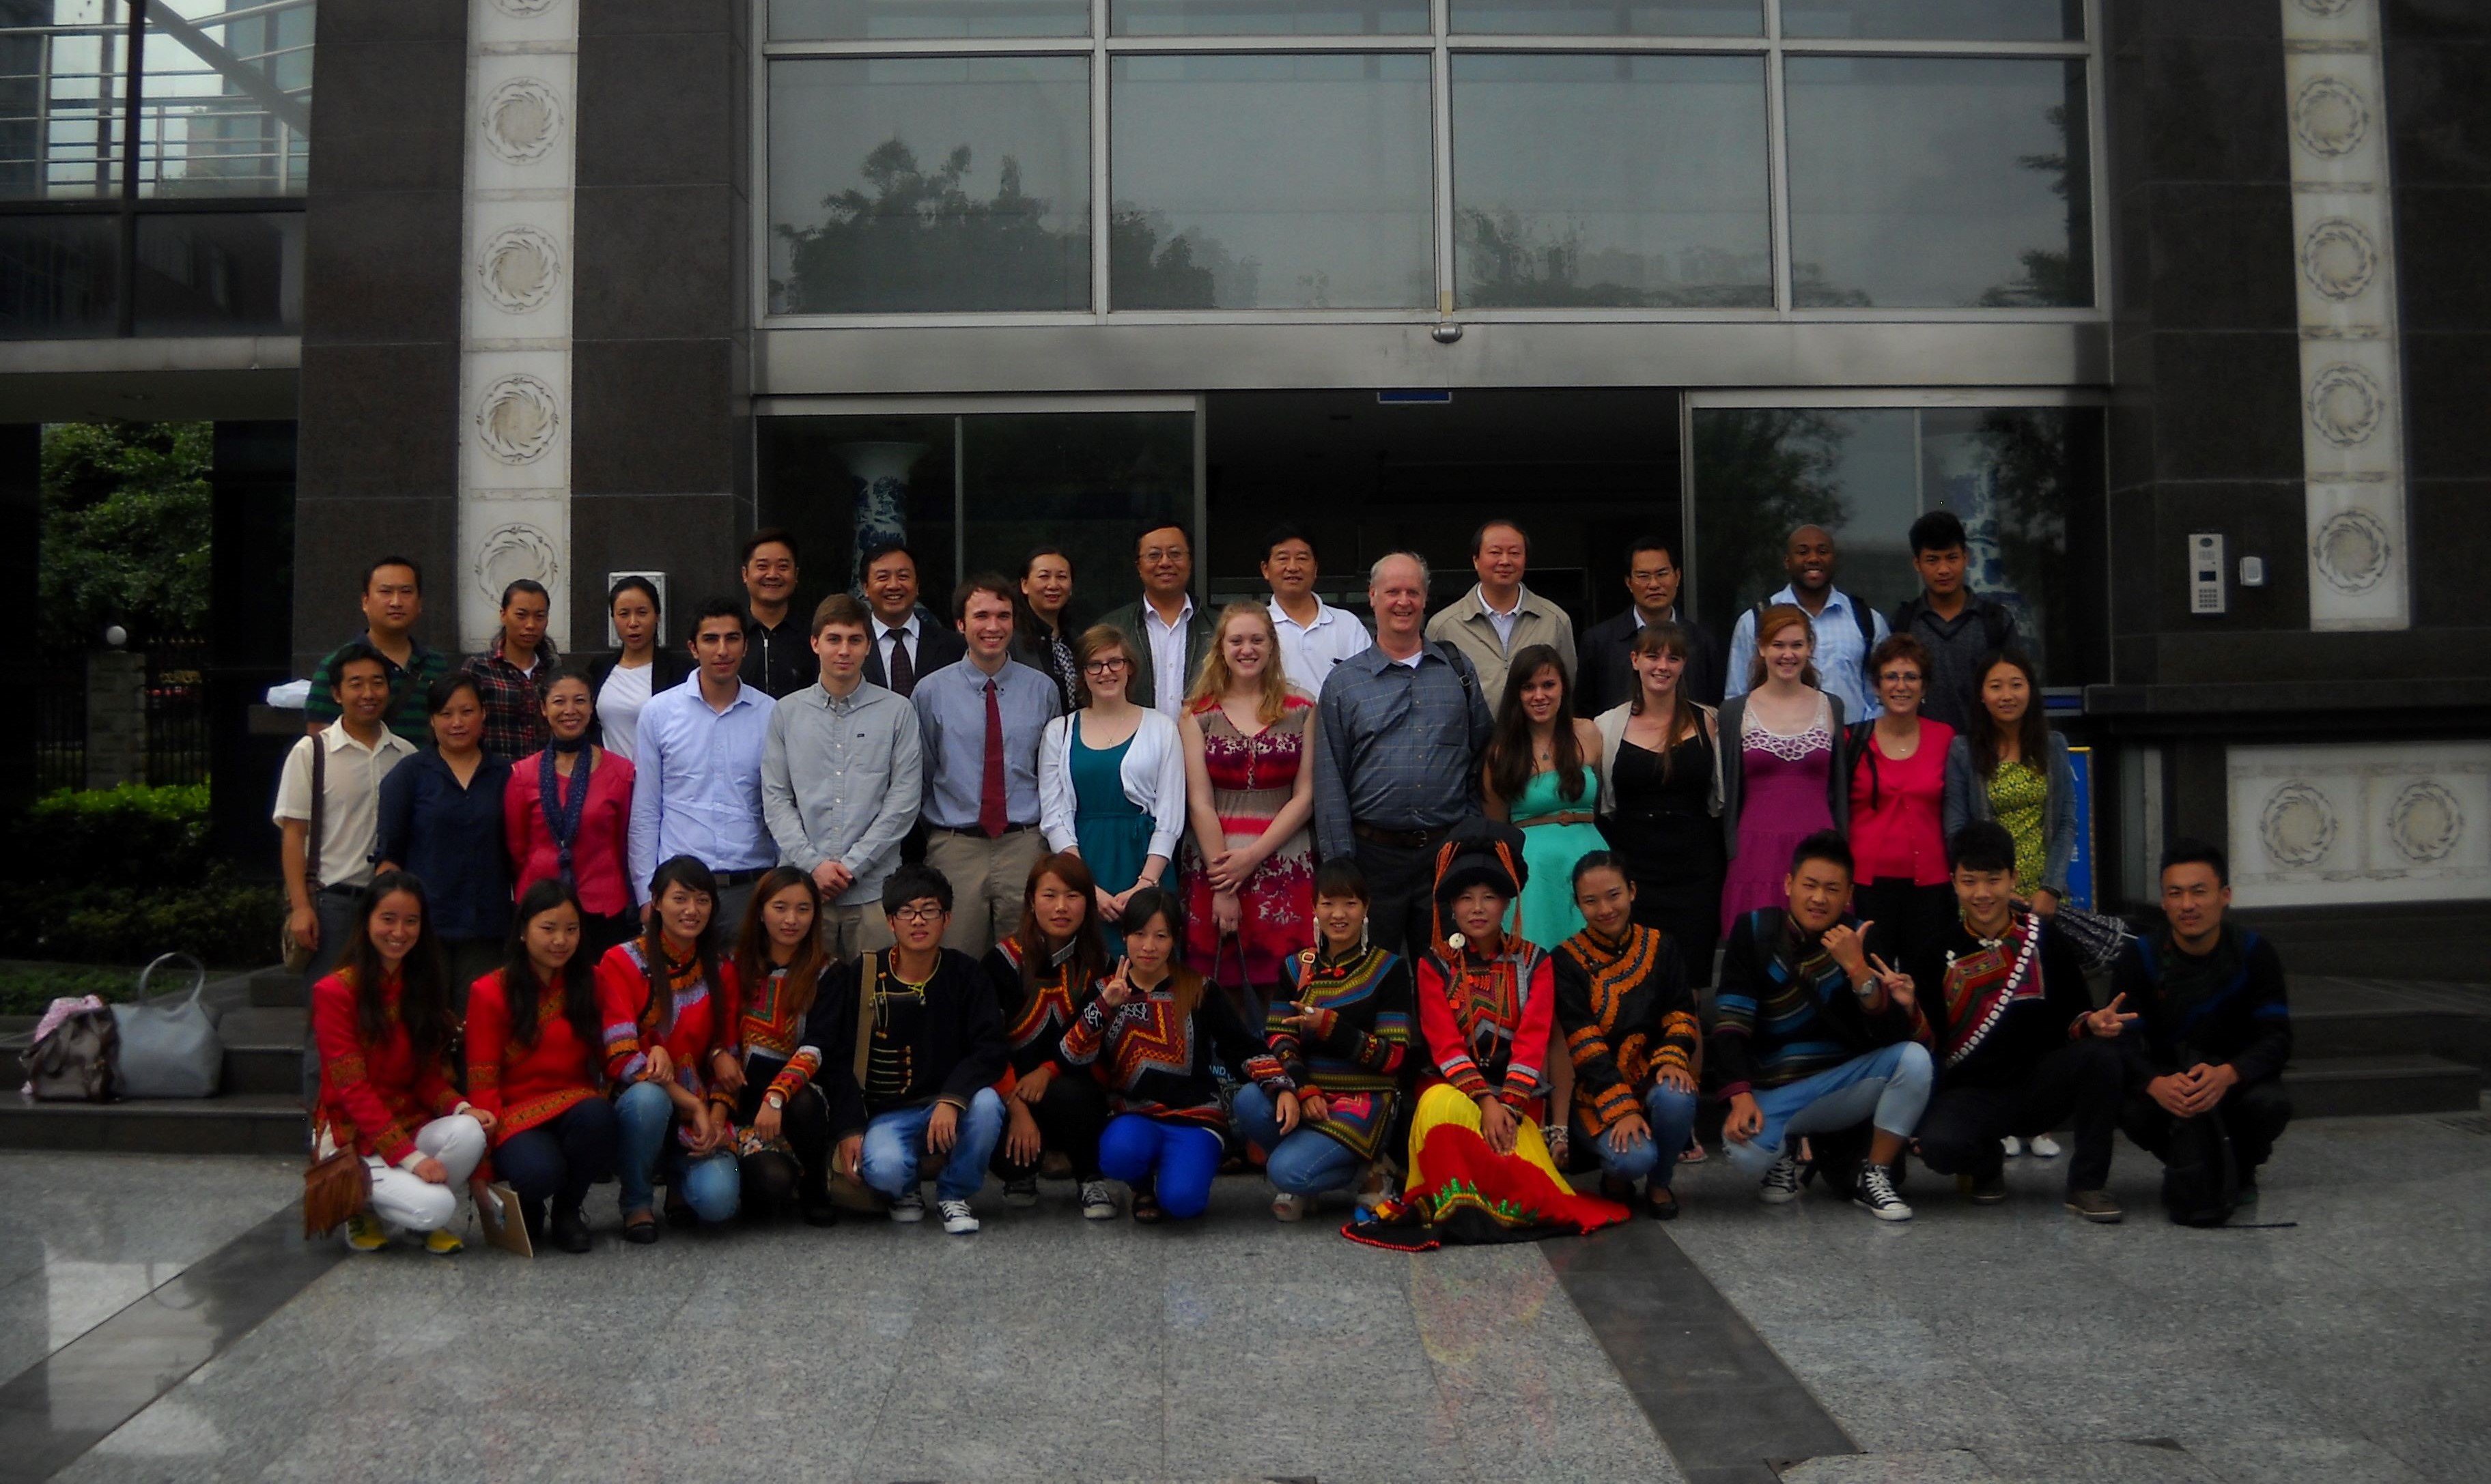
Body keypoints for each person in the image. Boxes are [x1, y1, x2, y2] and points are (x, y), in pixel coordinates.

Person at [1353, 819, 1628, 1250]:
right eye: (1465, 898)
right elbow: (1443, 1044)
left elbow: (1533, 1042)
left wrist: (1509, 1105)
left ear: (1506, 904)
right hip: (1452, 1090)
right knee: (1438, 1103)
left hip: (1519, 1101)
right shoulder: (1433, 965)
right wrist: (1484, 1101)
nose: (1477, 908)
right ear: (1452, 908)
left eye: (1488, 897)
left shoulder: (1535, 962)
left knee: (1535, 1189)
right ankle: (1457, 1202)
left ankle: (1491, 1197)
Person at [1906, 823, 2128, 1223]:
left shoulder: (2043, 939)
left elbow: (2074, 1014)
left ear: (2013, 879)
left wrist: (2093, 1023)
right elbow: (1929, 1041)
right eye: (1969, 881)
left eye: (1993, 880)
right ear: (1954, 882)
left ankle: (2087, 1185)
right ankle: (1986, 1163)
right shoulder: (1934, 952)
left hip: (2041, 1084)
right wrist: (1905, 1007)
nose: (1982, 894)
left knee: (2102, 1059)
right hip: (1973, 1093)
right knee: (1939, 1147)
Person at [1711, 831, 1928, 1221]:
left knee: (1913, 1061)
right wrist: (1740, 1096)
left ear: (1847, 895)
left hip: (1841, 1086)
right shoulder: (1755, 931)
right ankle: (1782, 1151)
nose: (1819, 899)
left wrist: (1857, 969)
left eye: (1832, 889)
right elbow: (1730, 1021)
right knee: (1745, 1154)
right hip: (1775, 1089)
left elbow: (1887, 1034)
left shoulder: (1862, 936)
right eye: (1809, 885)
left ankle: (1874, 1175)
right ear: (1789, 884)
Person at [1060, 887, 1292, 1223]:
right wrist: (1103, 1008)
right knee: (1117, 1155)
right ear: (1124, 936)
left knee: (1183, 1203)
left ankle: (1180, 1171)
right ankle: (1140, 1186)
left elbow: (1241, 1046)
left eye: (1160, 936)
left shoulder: (1200, 990)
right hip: (1134, 1116)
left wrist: (1279, 1085)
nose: (1149, 947)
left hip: (1195, 1118)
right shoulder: (1104, 991)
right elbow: (1070, 1055)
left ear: (1175, 940)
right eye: (1139, 934)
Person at [812, 864, 1012, 1236]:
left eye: (929, 911)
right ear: (891, 922)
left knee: (987, 1104)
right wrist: (849, 1128)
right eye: (907, 912)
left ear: (947, 918)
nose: (918, 921)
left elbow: (990, 1050)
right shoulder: (865, 974)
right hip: (889, 1113)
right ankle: (906, 1190)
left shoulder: (967, 974)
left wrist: (951, 1100)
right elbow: (838, 1058)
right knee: (884, 1168)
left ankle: (954, 1193)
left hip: (951, 1105)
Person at [1313, 552, 1495, 958]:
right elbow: (1329, 780)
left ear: (1426, 598)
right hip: (1372, 860)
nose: (1403, 601)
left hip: (1446, 855)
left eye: (1412, 591)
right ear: (1373, 596)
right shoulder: (1344, 683)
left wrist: (1470, 827)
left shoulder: (1457, 671)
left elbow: (1482, 753)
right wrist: (1341, 867)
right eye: (1392, 591)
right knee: (1369, 978)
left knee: (1449, 977)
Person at [311, 870, 490, 1254]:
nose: (400, 932)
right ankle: (362, 1208)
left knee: (470, 1131)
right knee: (439, 1206)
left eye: (411, 921)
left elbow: (425, 1078)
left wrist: (462, 1107)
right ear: (367, 922)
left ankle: (410, 1208)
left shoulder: (419, 989)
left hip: (407, 1123)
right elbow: (353, 1092)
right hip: (352, 1136)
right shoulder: (335, 993)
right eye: (388, 919)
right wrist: (411, 1160)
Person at [2112, 839, 2294, 1215]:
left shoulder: (2254, 953)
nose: (2187, 905)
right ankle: (2187, 1158)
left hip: (2231, 1081)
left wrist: (2229, 1074)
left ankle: (2242, 1167)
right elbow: (2123, 1040)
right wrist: (2155, 1083)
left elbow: (2277, 1038)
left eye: (2199, 892)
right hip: (2171, 1084)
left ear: (2224, 895)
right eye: (2175, 894)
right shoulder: (2140, 956)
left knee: (2270, 1104)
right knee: (2128, 1105)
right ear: (2163, 901)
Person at [1232, 857, 1411, 1221]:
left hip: (1364, 1100)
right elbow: (1279, 1037)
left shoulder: (1388, 968)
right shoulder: (1296, 967)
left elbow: (1394, 1057)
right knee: (1249, 1101)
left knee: (1285, 1171)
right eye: (1328, 903)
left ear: (1366, 908)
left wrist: (1332, 1027)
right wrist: (1302, 1087)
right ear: (1314, 908)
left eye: (1350, 904)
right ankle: (1312, 1175)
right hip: (1312, 1094)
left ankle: (1369, 1170)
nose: (1338, 914)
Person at [762, 593, 923, 961]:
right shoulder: (786, 713)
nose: (844, 651)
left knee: (871, 1002)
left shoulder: (898, 712)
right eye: (834, 639)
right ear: (815, 643)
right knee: (802, 1001)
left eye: (855, 640)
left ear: (868, 645)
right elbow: (776, 799)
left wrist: (851, 867)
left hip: (873, 891)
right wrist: (814, 866)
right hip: (801, 893)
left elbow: (903, 802)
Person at [1179, 602, 1317, 1023]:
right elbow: (1198, 801)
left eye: (1257, 639)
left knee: (1285, 979)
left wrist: (1253, 857)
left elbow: (1306, 794)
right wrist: (1224, 883)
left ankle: (1284, 1070)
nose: (1247, 649)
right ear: (1220, 648)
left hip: (1286, 860)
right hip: (1212, 861)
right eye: (1236, 640)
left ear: (1272, 646)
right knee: (1220, 985)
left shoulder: (1302, 708)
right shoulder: (1196, 713)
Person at [464, 881, 617, 1254]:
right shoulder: (489, 991)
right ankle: (530, 1202)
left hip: (577, 1107)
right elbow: (482, 1083)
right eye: (548, 929)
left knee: (601, 1116)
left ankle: (568, 1211)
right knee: (538, 1173)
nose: (561, 941)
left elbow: (612, 1053)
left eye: (571, 929)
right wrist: (481, 1172)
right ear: (523, 931)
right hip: (514, 1117)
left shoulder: (593, 981)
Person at [912, 573, 1061, 957]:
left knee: (1027, 960)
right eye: (981, 616)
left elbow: (1051, 772)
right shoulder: (930, 692)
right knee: (955, 961)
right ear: (961, 624)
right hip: (955, 848)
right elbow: (924, 773)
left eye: (1003, 616)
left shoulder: (1042, 689)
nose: (993, 627)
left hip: (1024, 845)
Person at [595, 855, 742, 1242]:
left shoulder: (722, 968)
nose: (692, 911)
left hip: (699, 1107)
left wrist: (714, 1113)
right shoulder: (620, 961)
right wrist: (691, 1104)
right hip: (640, 1104)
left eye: (702, 900)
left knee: (720, 1203)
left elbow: (730, 1052)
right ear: (656, 902)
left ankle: (680, 1181)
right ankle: (637, 1201)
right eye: (680, 899)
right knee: (648, 1100)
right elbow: (622, 1057)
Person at [1553, 853, 1701, 1220]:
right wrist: (1621, 1109)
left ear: (1632, 892)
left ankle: (1660, 1181)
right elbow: (1583, 1043)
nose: (1605, 909)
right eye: (1591, 901)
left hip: (1648, 1077)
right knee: (1632, 1159)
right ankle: (1617, 1175)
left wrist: (1672, 1059)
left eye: (1613, 895)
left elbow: (1681, 1012)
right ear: (1578, 904)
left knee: (1677, 1094)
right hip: (1594, 1096)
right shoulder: (1566, 960)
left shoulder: (1661, 945)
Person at [629, 597, 777, 937]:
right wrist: (645, 895)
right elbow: (646, 810)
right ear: (693, 648)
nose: (722, 650)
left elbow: (780, 804)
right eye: (711, 639)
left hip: (750, 887)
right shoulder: (658, 714)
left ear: (745, 646)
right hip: (680, 891)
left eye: (732, 638)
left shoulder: (772, 714)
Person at [279, 644, 421, 991]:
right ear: (337, 693)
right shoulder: (311, 752)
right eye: (356, 684)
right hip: (333, 905)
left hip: (392, 907)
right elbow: (294, 835)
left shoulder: (406, 755)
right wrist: (300, 907)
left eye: (377, 683)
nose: (368, 694)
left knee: (389, 1012)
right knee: (329, 1018)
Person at [1592, 622, 1726, 988]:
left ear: (1684, 665)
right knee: (1638, 984)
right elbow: (1600, 803)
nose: (1662, 665)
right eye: (1652, 656)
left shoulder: (1711, 722)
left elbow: (1720, 801)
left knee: (1691, 986)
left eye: (1673, 657)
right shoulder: (1606, 727)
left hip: (1696, 874)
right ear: (1635, 660)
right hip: (1635, 875)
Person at [984, 852, 1116, 1220]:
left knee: (1074, 1092)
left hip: (1076, 1096)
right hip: (1013, 1095)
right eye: (1049, 895)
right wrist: (1017, 1106)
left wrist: (1048, 1072)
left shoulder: (1102, 966)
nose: (1061, 907)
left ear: (1088, 904)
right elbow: (985, 1045)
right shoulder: (1000, 963)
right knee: (989, 1116)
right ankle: (1021, 1172)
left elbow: (1100, 1048)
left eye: (1073, 896)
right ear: (1031, 900)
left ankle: (1090, 1176)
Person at [1039, 625, 1183, 958]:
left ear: (1129, 667)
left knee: (1148, 962)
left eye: (1115, 662)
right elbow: (1054, 816)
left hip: (1145, 863)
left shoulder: (1162, 728)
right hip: (1082, 864)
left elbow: (1171, 817)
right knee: (1087, 965)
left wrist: (1145, 884)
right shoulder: (1058, 732)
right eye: (1095, 664)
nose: (1106, 672)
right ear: (1082, 674)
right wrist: (1086, 887)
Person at [374, 673, 513, 1001]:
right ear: (432, 720)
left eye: (467, 712)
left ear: (483, 714)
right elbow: (389, 857)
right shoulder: (409, 775)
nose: (457, 723)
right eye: (446, 714)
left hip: (488, 927)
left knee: (478, 1025)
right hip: (425, 927)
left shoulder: (507, 775)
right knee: (426, 1024)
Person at [715, 868, 839, 1226]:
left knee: (803, 1101)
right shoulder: (732, 967)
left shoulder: (828, 973)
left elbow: (816, 1047)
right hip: (743, 1108)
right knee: (772, 1184)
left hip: (797, 1104)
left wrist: (776, 1097)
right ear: (760, 911)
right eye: (780, 907)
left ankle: (816, 1184)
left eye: (803, 909)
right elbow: (715, 1034)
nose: (791, 919)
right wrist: (717, 1053)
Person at [1718, 603, 1850, 934]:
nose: (1787, 655)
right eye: (1778, 645)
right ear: (1761, 648)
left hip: (1819, 844)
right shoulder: (1735, 712)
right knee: (1756, 948)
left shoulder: (1831, 706)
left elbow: (1841, 790)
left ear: (1810, 648)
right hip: (1755, 850)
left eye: (1796, 645)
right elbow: (1728, 792)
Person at [507, 668, 639, 963]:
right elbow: (517, 850)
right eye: (559, 702)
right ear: (543, 708)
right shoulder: (522, 774)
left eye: (579, 701)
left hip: (603, 905)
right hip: (540, 907)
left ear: (592, 707)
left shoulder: (621, 772)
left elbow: (624, 844)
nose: (570, 711)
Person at [1482, 642, 1606, 947]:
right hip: (1533, 876)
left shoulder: (1588, 733)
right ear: (1517, 695)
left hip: (1590, 862)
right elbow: (1497, 828)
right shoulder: (1502, 753)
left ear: (1564, 687)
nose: (1540, 696)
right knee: (1537, 962)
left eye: (1548, 685)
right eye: (1529, 687)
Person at [1846, 634, 1956, 971]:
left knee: (1928, 981)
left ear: (1924, 687)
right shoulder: (1853, 739)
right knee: (1871, 982)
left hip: (1932, 887)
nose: (1901, 686)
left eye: (1911, 677)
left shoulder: (1945, 738)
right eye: (1891, 677)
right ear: (1877, 686)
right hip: (1867, 887)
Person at [1943, 649, 2076, 927]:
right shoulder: (1963, 751)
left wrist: (2051, 888)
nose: (2007, 695)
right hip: (1986, 897)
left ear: (2030, 690)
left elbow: (2065, 823)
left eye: (2016, 685)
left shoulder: (2053, 746)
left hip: (2044, 898)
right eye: (1995, 687)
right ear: (1981, 695)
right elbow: (1957, 830)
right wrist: (1994, 888)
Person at [1724, 524, 1889, 719]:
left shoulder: (1867, 621)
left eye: (1823, 551)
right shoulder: (1755, 621)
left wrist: (1863, 740)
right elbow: (1737, 697)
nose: (1813, 559)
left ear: (1834, 560)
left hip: (1853, 743)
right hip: (1778, 743)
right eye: (1802, 552)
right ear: (1787, 561)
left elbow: (1882, 696)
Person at [1423, 518, 1579, 702]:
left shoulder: (1555, 620)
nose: (1505, 561)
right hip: (1471, 731)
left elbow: (1567, 686)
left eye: (1514, 553)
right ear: (1476, 560)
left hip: (1535, 731)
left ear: (1525, 559)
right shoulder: (1444, 626)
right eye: (1495, 552)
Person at [1892, 510, 2020, 733]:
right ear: (1917, 563)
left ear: (1966, 557)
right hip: (1921, 755)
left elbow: (2016, 692)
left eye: (1952, 558)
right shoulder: (1904, 623)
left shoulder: (1995, 621)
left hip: (1984, 752)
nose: (1943, 569)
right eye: (1932, 560)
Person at [304, 556, 449, 742]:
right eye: (386, 592)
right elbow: (320, 742)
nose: (396, 602)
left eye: (406, 592)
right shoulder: (335, 665)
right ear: (365, 601)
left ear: (419, 603)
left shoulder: (436, 665)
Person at [1579, 536, 1723, 713]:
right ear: (1629, 582)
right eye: (1643, 576)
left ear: (1677, 577)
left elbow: (1715, 706)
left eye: (1662, 574)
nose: (1654, 584)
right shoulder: (1598, 642)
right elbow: (1584, 711)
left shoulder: (1702, 641)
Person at [1098, 523, 1211, 719]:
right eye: (1154, 555)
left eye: (1175, 554)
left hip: (1205, 745)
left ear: (1190, 562)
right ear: (1138, 566)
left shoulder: (1219, 628)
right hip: (1133, 744)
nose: (1165, 562)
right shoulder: (1111, 629)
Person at [585, 575, 692, 762]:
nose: (633, 623)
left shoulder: (680, 672)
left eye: (642, 613)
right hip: (612, 783)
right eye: (624, 614)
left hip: (660, 780)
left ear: (657, 615)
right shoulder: (599, 668)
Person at [1260, 524, 1370, 698]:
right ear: (1265, 570)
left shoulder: (1348, 625)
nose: (1293, 567)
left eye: (1302, 558)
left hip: (1336, 725)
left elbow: (1366, 688)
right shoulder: (1255, 627)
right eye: (1283, 559)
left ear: (1316, 568)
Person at [462, 577, 560, 760]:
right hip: (495, 777)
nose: (530, 625)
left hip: (545, 777)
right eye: (521, 615)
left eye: (539, 616)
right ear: (503, 615)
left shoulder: (554, 669)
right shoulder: (478, 668)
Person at [859, 540, 967, 699]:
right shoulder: (849, 646)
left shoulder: (953, 647)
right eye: (883, 577)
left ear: (917, 586)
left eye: (903, 576)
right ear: (866, 588)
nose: (894, 585)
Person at [737, 528, 811, 699]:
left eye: (783, 567)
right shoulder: (731, 636)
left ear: (796, 575)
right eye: (762, 566)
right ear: (745, 574)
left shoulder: (813, 635)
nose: (772, 575)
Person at [1011, 545, 1082, 713]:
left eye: (1062, 577)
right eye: (1044, 577)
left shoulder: (1074, 639)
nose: (1053, 585)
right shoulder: (1011, 639)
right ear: (1025, 585)